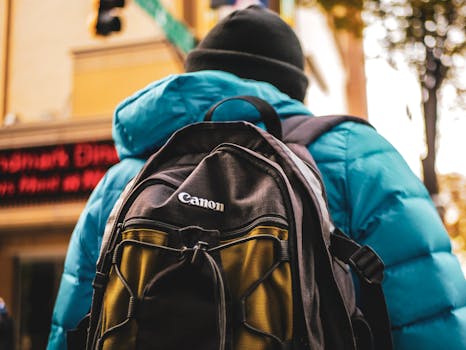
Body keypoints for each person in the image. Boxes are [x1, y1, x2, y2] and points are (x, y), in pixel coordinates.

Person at [47, 5, 466, 350]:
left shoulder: (123, 179)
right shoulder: (355, 155)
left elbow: (74, 321)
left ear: (194, 74)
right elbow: (429, 317)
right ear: (292, 89)